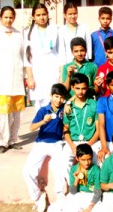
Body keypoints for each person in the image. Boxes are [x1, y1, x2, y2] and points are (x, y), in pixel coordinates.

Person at [0, 6, 26, 153]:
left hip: (17, 80)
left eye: (11, 17)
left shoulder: (19, 35)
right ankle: (2, 142)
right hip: (0, 80)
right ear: (0, 18)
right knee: (2, 113)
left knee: (16, 113)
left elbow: (23, 57)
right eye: (6, 17)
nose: (9, 20)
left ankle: (13, 139)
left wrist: (26, 76)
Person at [23, 83, 68, 212]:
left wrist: (68, 105)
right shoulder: (43, 110)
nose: (58, 100)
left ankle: (61, 199)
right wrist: (44, 121)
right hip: (41, 143)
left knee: (59, 170)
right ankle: (38, 197)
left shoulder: (64, 108)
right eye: (56, 96)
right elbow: (32, 127)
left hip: (57, 143)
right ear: (51, 95)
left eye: (61, 97)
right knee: (28, 171)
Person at [62, 73, 100, 183]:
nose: (80, 91)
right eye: (77, 88)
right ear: (72, 88)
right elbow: (65, 130)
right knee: (63, 161)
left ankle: (97, 188)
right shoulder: (69, 106)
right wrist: (73, 147)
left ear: (88, 88)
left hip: (90, 142)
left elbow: (98, 130)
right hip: (73, 142)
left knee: (100, 159)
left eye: (83, 88)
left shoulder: (94, 104)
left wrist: (87, 145)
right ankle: (70, 186)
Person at [24, 3, 60, 111]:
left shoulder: (55, 30)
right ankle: (42, 127)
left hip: (52, 70)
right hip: (37, 72)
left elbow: (61, 53)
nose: (42, 17)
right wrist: (30, 77)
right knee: (39, 105)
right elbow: (26, 58)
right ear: (33, 17)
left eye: (44, 14)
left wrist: (60, 75)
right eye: (38, 15)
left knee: (54, 100)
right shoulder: (27, 33)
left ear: (48, 15)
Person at [47, 144, 102, 212]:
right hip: (77, 195)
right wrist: (76, 180)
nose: (87, 163)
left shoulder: (96, 170)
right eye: (83, 160)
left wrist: (90, 208)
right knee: (52, 208)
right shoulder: (74, 169)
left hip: (91, 197)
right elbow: (72, 192)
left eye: (89, 159)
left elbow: (98, 192)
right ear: (77, 158)